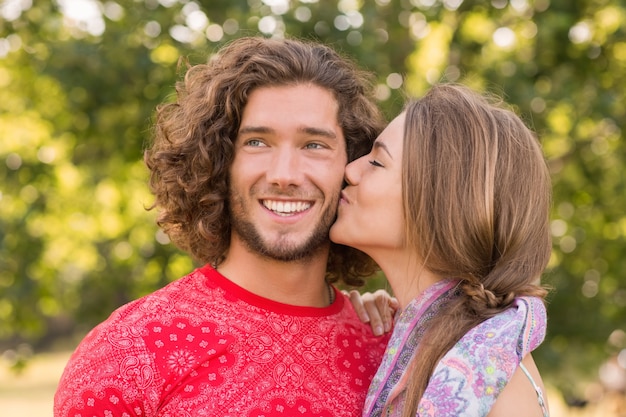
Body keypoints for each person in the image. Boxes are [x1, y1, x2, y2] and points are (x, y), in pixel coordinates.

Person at [54, 36, 395, 417]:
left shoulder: (392, 351)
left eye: (314, 145)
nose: (284, 175)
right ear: (219, 162)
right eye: (257, 142)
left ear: (352, 166)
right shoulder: (129, 352)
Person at [330, 84, 552, 417]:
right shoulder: (438, 347)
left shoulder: (492, 383)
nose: (350, 169)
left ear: (440, 202)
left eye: (377, 162)